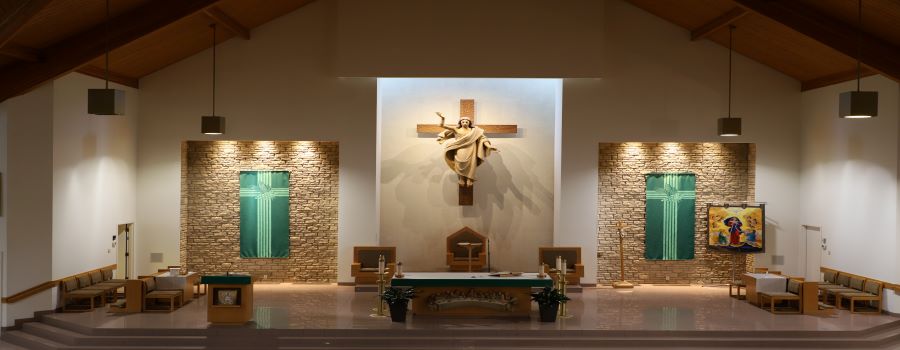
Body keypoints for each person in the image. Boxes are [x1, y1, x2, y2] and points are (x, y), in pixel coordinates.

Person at [435, 112, 498, 187]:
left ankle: (470, 178)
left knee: (472, 164)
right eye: (463, 121)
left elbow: (483, 138)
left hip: (471, 149)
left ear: (469, 123)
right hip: (460, 149)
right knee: (460, 162)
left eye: (466, 121)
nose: (465, 123)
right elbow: (442, 125)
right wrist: (442, 118)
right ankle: (461, 178)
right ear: (460, 123)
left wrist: (489, 146)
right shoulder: (456, 129)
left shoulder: (474, 131)